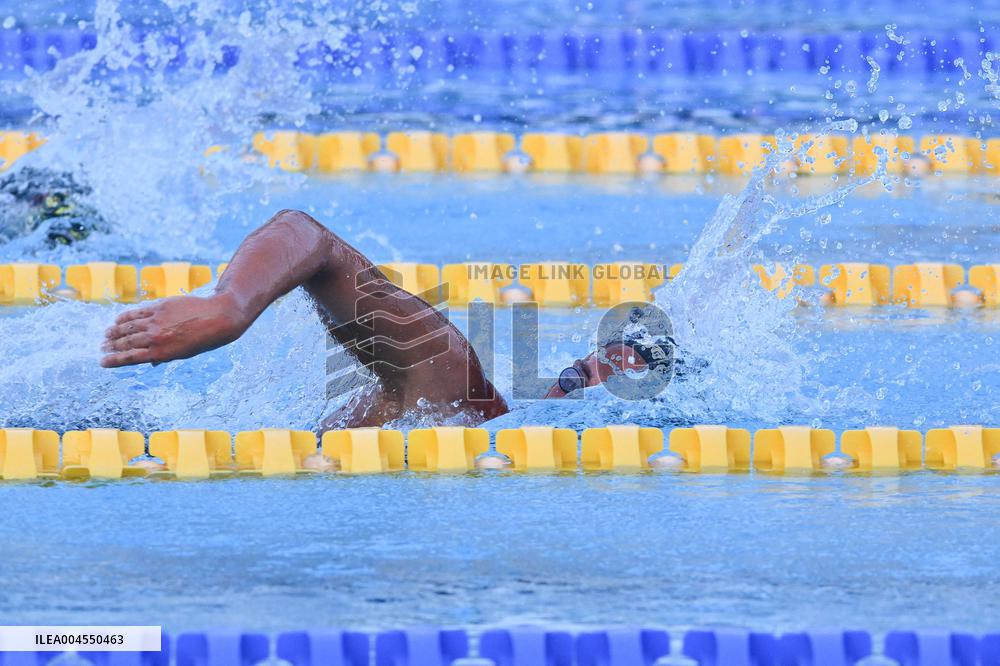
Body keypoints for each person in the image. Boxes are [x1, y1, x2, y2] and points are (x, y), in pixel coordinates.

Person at [102, 210, 675, 437]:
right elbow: (306, 236)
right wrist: (227, 307)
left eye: (598, 379)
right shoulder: (460, 391)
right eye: (586, 365)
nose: (579, 374)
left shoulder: (468, 411)